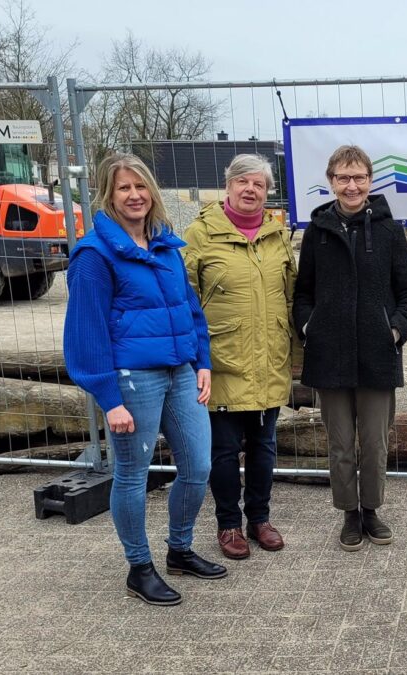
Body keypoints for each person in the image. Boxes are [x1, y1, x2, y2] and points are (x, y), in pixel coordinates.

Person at [63, 154, 225, 606]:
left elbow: (190, 310)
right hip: (133, 380)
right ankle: (139, 567)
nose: (134, 195)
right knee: (132, 475)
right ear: (107, 195)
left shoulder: (167, 246)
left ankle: (179, 549)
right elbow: (85, 332)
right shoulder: (94, 256)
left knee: (197, 467)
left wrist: (203, 361)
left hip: (180, 372)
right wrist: (108, 397)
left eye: (141, 186)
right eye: (123, 188)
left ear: (152, 191)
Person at [293, 145, 407, 552]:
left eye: (359, 177)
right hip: (329, 358)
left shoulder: (388, 230)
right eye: (343, 178)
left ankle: (371, 510)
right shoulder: (317, 233)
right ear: (331, 181)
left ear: (370, 180)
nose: (351, 185)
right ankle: (349, 513)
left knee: (374, 441)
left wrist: (395, 331)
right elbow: (302, 294)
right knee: (340, 443)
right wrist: (310, 325)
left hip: (378, 357)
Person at [182, 154, 299, 560]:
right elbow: (186, 301)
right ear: (228, 186)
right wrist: (194, 359)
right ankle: (229, 524)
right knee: (225, 451)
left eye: (260, 185)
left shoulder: (278, 235)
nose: (251, 190)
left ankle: (260, 519)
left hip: (269, 358)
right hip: (222, 362)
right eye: (243, 182)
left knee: (265, 446)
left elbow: (290, 297)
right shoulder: (200, 234)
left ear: (268, 192)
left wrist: (296, 355)